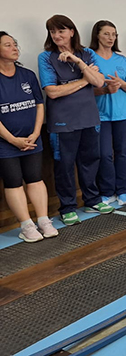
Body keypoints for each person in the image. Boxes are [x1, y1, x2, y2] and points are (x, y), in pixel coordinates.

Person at [38, 15, 113, 226]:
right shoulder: (46, 57)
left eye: (61, 31)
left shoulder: (87, 53)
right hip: (62, 122)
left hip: (89, 117)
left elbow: (99, 82)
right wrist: (84, 80)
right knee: (64, 165)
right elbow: (53, 92)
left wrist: (79, 63)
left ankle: (92, 200)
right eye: (52, 32)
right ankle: (68, 207)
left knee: (90, 161)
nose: (56, 35)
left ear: (72, 32)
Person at [0, 32, 58, 242]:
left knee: (35, 178)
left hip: (32, 138)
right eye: (8, 45)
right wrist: (12, 140)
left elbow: (39, 104)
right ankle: (27, 225)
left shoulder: (27, 75)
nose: (15, 48)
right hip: (6, 143)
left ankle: (43, 220)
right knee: (13, 182)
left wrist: (35, 133)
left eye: (15, 44)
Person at [90, 20, 126, 206]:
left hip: (123, 114)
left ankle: (123, 191)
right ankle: (107, 191)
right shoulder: (90, 57)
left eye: (114, 34)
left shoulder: (121, 60)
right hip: (100, 114)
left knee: (122, 152)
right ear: (97, 35)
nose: (111, 38)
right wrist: (105, 89)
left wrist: (121, 83)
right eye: (106, 34)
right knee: (104, 154)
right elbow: (87, 89)